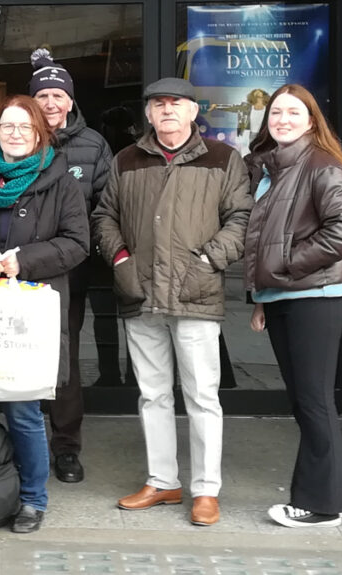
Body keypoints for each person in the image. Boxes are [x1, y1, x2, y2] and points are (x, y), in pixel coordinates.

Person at [92, 77, 252, 527]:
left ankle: (206, 490)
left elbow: (240, 218)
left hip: (195, 292)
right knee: (153, 395)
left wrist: (207, 261)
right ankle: (162, 480)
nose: (166, 111)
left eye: (175, 104)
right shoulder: (126, 159)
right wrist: (121, 260)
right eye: (158, 104)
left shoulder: (223, 159)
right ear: (147, 114)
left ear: (192, 111)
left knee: (202, 396)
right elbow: (105, 216)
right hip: (140, 293)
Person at [0, 94, 89, 533]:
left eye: (25, 127)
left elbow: (77, 243)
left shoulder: (61, 180)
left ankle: (31, 499)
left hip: (28, 314)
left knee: (23, 409)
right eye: (7, 126)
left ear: (40, 132)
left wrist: (23, 259)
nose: (15, 134)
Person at [244, 84, 342, 528]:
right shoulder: (272, 167)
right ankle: (325, 498)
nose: (283, 119)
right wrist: (262, 296)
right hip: (284, 296)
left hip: (317, 296)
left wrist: (286, 267)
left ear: (311, 121)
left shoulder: (321, 165)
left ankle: (322, 504)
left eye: (294, 112)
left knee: (313, 402)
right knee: (305, 402)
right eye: (276, 113)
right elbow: (260, 238)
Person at [29, 48, 113, 483]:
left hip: (70, 273)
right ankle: (20, 442)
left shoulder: (93, 145)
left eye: (58, 95)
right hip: (20, 273)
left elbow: (105, 208)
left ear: (70, 100)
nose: (50, 103)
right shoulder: (17, 137)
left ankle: (66, 447)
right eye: (42, 94)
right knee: (18, 357)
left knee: (65, 362)